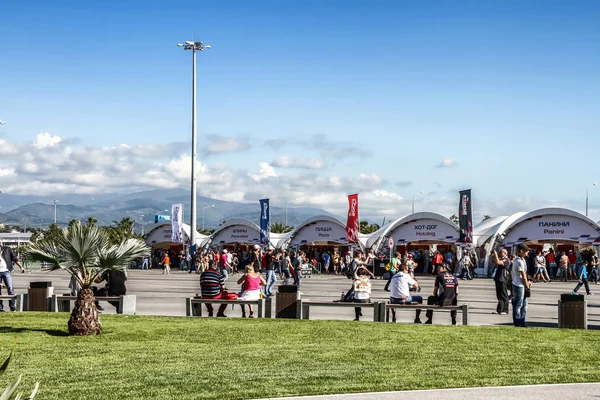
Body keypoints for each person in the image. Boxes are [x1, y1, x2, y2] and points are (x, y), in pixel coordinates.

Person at [512, 243, 532, 327]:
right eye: (526, 250)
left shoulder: (522, 260)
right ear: (521, 251)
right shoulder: (519, 261)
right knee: (518, 304)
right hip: (519, 285)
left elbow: (525, 274)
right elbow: (523, 275)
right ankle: (517, 322)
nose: (527, 252)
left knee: (524, 304)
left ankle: (522, 321)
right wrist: (527, 284)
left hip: (521, 284)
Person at [0, 243, 24, 312]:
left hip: (6, 271)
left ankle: (12, 306)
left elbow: (14, 258)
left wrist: (21, 267)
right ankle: (0, 308)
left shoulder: (7, 249)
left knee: (10, 288)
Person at [492, 248, 510, 315]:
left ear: (505, 253)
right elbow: (492, 262)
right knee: (499, 295)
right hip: (498, 279)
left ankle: (505, 310)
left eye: (501, 252)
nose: (500, 253)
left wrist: (496, 254)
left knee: (504, 295)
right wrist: (492, 255)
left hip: (503, 279)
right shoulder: (500, 258)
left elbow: (498, 262)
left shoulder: (507, 260)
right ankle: (499, 309)